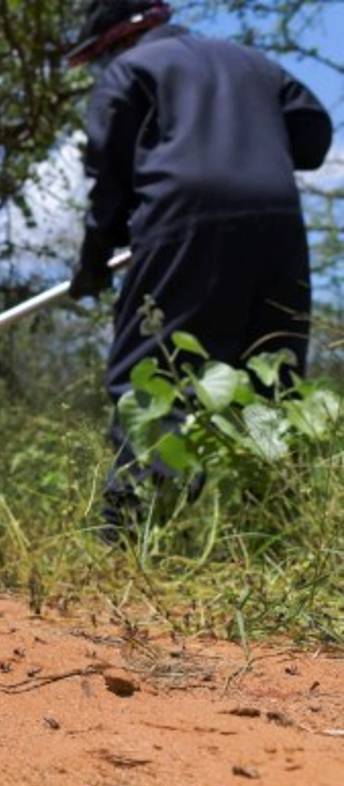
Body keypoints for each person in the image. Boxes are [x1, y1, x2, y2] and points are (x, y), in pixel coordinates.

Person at [66, 1, 333, 537]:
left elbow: (108, 177)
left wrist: (94, 258)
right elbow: (312, 138)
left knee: (152, 376)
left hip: (183, 220)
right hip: (279, 225)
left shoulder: (130, 70)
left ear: (117, 40)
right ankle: (270, 532)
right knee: (270, 376)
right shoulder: (256, 63)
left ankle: (132, 537)